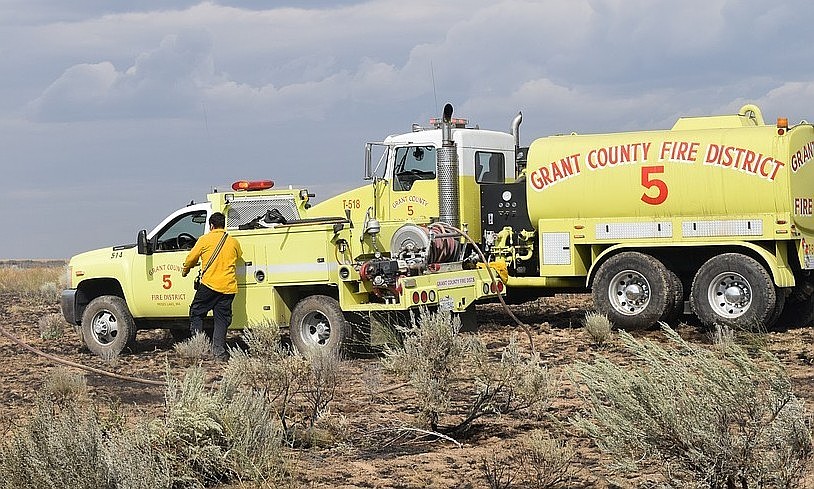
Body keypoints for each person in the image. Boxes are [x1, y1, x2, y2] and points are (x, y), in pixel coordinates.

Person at [181, 212, 242, 361]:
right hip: (228, 287)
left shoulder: (204, 240)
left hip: (209, 285)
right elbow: (239, 256)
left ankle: (198, 347)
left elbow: (190, 259)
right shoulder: (233, 242)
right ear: (224, 225)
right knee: (221, 320)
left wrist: (185, 271)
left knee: (196, 312)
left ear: (211, 226)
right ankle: (219, 353)